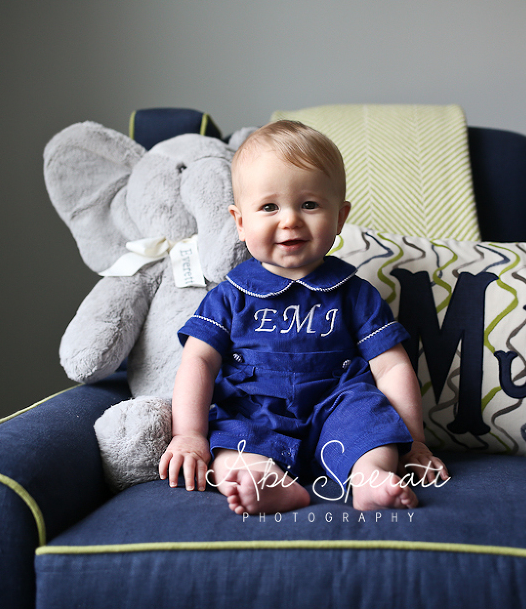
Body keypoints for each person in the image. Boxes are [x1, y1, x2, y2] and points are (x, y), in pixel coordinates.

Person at [158, 120, 449, 515]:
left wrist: (414, 442)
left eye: (309, 204)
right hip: (254, 410)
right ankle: (264, 481)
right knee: (227, 447)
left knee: (369, 420)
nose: (290, 220)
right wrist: (189, 435)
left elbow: (392, 366)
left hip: (337, 405)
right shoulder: (228, 296)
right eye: (269, 207)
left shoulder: (355, 294)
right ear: (240, 222)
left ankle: (371, 477)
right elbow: (198, 362)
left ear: (340, 217)